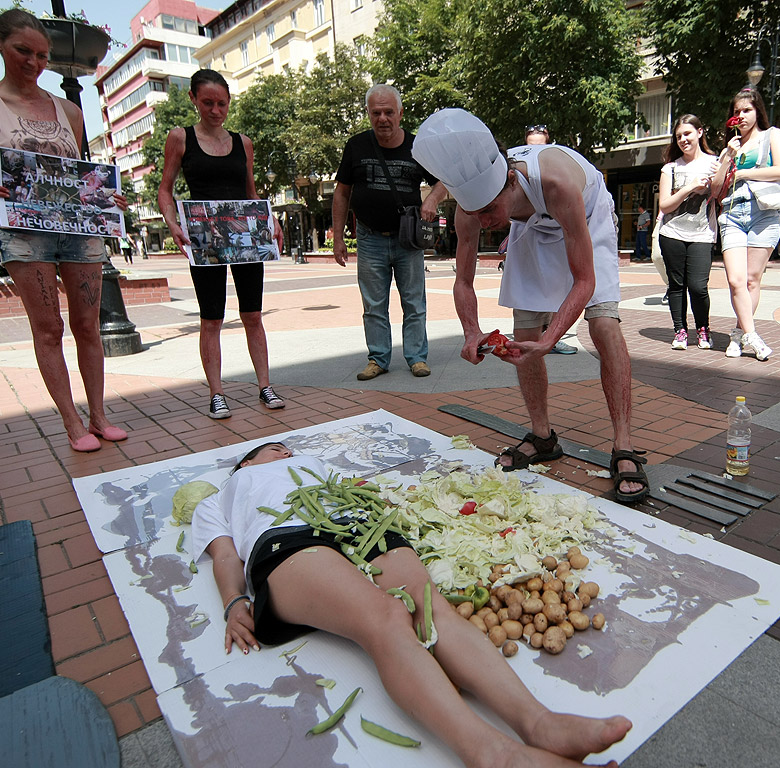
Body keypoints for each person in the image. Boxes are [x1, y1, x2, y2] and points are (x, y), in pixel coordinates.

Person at [191, 441, 632, 768]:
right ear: (246, 463)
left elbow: (359, 491)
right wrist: (233, 601)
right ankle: (491, 754)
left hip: (355, 520)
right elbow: (226, 554)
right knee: (386, 617)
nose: (286, 454)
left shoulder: (315, 464)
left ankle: (540, 723)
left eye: (289, 450)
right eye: (274, 451)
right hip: (286, 536)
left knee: (429, 605)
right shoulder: (226, 492)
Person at [413, 109, 649, 505]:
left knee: (604, 326)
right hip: (531, 226)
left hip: (586, 218)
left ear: (510, 180)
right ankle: (543, 437)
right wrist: (471, 330)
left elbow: (585, 281)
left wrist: (553, 336)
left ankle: (623, 444)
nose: (485, 221)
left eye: (489, 210)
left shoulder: (554, 181)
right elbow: (463, 280)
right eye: (476, 213)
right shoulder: (472, 212)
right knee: (524, 334)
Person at [0, 8, 128, 453]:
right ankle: (72, 423)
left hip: (78, 228)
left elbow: (80, 175)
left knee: (88, 325)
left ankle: (99, 415)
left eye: (42, 55)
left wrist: (106, 198)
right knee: (49, 327)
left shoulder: (69, 111)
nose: (34, 62)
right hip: (25, 230)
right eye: (23, 51)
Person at [158, 69, 285, 419]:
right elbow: (165, 189)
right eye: (208, 103)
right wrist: (173, 223)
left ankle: (265, 385)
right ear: (194, 100)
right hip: (204, 239)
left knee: (253, 314)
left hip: (245, 236)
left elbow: (250, 191)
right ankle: (217, 393)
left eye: (222, 104)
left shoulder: (243, 142)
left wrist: (269, 217)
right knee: (211, 318)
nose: (216, 110)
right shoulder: (180, 138)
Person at [331, 84, 448, 381]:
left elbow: (444, 181)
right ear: (369, 114)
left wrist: (432, 199)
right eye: (376, 113)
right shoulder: (356, 145)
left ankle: (417, 358)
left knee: (414, 302)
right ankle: (378, 358)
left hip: (407, 239)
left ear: (400, 113)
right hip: (369, 239)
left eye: (388, 112)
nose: (382, 118)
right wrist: (337, 238)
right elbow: (342, 193)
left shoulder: (417, 146)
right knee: (373, 306)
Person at [711, 85, 780, 361]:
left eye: (747, 110)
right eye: (736, 112)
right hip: (732, 214)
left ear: (758, 112)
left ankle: (737, 334)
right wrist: (727, 159)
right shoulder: (729, 148)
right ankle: (752, 335)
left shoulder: (771, 136)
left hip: (763, 213)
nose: (741, 116)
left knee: (753, 280)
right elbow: (716, 190)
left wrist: (743, 173)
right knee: (735, 280)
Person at [502, 125, 578, 355]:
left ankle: (553, 336)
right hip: (526, 246)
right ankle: (534, 337)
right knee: (529, 296)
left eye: (540, 147)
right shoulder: (514, 176)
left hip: (558, 244)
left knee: (560, 289)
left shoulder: (557, 179)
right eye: (530, 146)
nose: (535, 152)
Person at [657, 115, 718, 351]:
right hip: (672, 233)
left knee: (698, 286)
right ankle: (680, 330)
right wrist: (690, 187)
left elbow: (721, 193)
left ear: (700, 133)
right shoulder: (670, 168)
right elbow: (665, 205)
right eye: (679, 136)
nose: (683, 139)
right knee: (676, 285)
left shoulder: (714, 163)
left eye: (688, 134)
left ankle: (703, 328)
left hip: (703, 234)